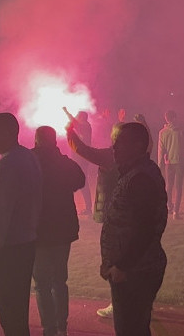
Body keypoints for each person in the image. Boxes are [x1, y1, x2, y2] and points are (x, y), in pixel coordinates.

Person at [100, 121, 168, 336]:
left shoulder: (140, 178)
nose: (114, 148)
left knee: (130, 329)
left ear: (138, 146)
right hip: (134, 268)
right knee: (136, 328)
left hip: (135, 271)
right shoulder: (134, 172)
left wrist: (122, 265)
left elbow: (145, 227)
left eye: (120, 143)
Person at [0, 113, 42, 336]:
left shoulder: (7, 165)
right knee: (18, 312)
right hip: (26, 244)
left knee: (10, 315)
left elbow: (1, 216)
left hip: (9, 250)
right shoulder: (28, 157)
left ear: (7, 132)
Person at [32, 126, 85, 336]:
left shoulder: (29, 161)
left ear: (36, 141)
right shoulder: (63, 162)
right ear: (54, 141)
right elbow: (79, 180)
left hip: (39, 230)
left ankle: (49, 328)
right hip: (62, 229)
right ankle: (62, 328)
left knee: (42, 284)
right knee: (59, 281)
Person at [66, 121, 119, 319]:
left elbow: (81, 149)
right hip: (130, 214)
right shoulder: (137, 156)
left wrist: (70, 131)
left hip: (114, 215)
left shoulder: (111, 155)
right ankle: (140, 302)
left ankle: (118, 303)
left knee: (115, 259)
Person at [158, 110, 184, 219]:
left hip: (168, 162)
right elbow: (183, 146)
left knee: (169, 186)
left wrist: (159, 165)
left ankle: (169, 206)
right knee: (178, 187)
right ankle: (176, 212)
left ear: (166, 119)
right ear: (174, 118)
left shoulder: (162, 132)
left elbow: (161, 150)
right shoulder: (179, 131)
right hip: (179, 162)